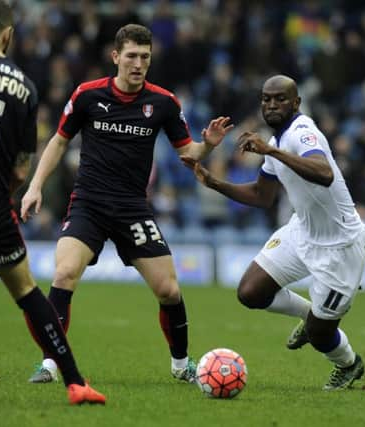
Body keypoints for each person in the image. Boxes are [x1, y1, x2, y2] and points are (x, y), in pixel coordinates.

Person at [20, 23, 232, 384]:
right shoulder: (87, 95)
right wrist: (34, 186)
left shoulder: (164, 103)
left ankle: (181, 366)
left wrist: (208, 144)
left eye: (145, 57)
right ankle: (50, 365)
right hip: (88, 203)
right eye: (131, 56)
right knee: (64, 273)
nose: (138, 63)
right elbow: (58, 142)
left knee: (169, 290)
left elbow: (188, 154)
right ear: (115, 56)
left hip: (133, 208)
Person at [181, 75, 365, 390]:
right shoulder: (277, 141)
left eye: (280, 99)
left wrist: (271, 152)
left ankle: (349, 364)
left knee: (321, 334)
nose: (272, 104)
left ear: (296, 103)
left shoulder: (302, 133)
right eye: (266, 99)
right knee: (250, 292)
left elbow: (324, 174)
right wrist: (215, 184)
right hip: (303, 231)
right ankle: (310, 316)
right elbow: (262, 195)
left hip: (340, 246)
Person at [0, 0, 104, 405]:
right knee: (27, 291)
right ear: (8, 34)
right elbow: (22, 171)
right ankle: (75, 382)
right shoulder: (23, 85)